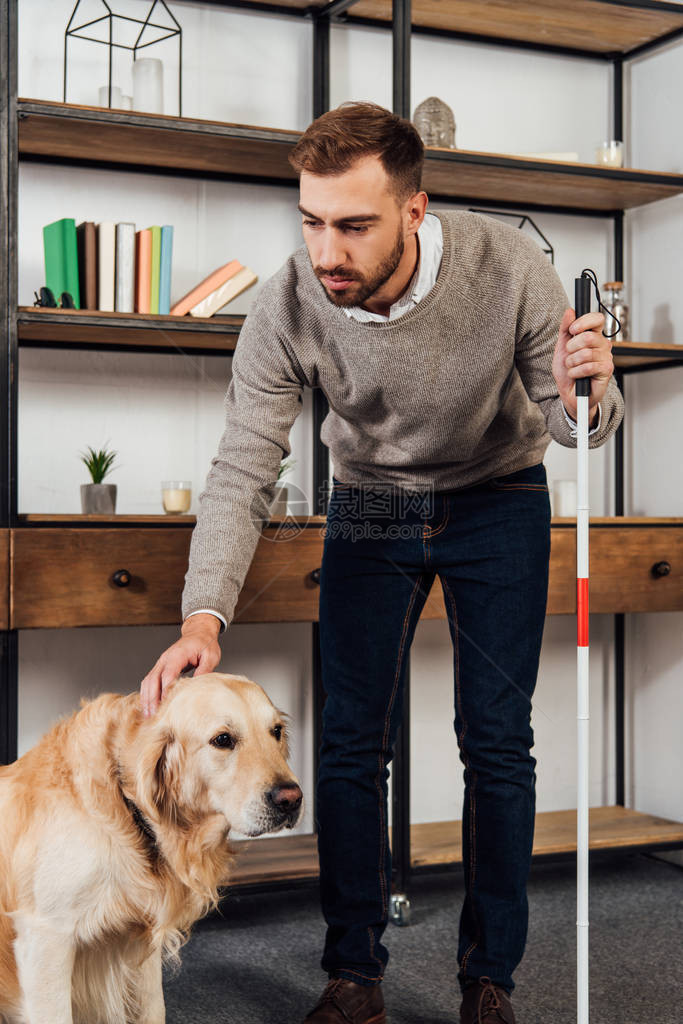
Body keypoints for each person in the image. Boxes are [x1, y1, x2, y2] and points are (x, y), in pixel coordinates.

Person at [140, 101, 624, 1024]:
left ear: (413, 210)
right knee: (353, 743)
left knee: (495, 740)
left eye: (354, 225)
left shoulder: (508, 266)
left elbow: (575, 426)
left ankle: (491, 979)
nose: (328, 251)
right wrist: (204, 616)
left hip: (499, 498)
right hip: (367, 503)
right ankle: (352, 974)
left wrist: (584, 391)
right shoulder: (290, 299)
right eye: (312, 222)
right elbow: (246, 459)